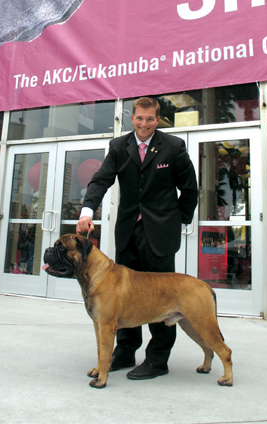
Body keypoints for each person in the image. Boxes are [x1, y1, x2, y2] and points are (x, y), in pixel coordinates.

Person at [76, 97, 198, 380]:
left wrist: (179, 220)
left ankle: (157, 360)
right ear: (132, 118)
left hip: (161, 235)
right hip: (128, 232)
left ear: (158, 119)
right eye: (140, 119)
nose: (144, 125)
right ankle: (125, 350)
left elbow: (189, 189)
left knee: (162, 298)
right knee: (123, 297)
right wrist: (86, 210)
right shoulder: (119, 146)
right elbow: (101, 180)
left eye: (150, 119)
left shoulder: (174, 146)